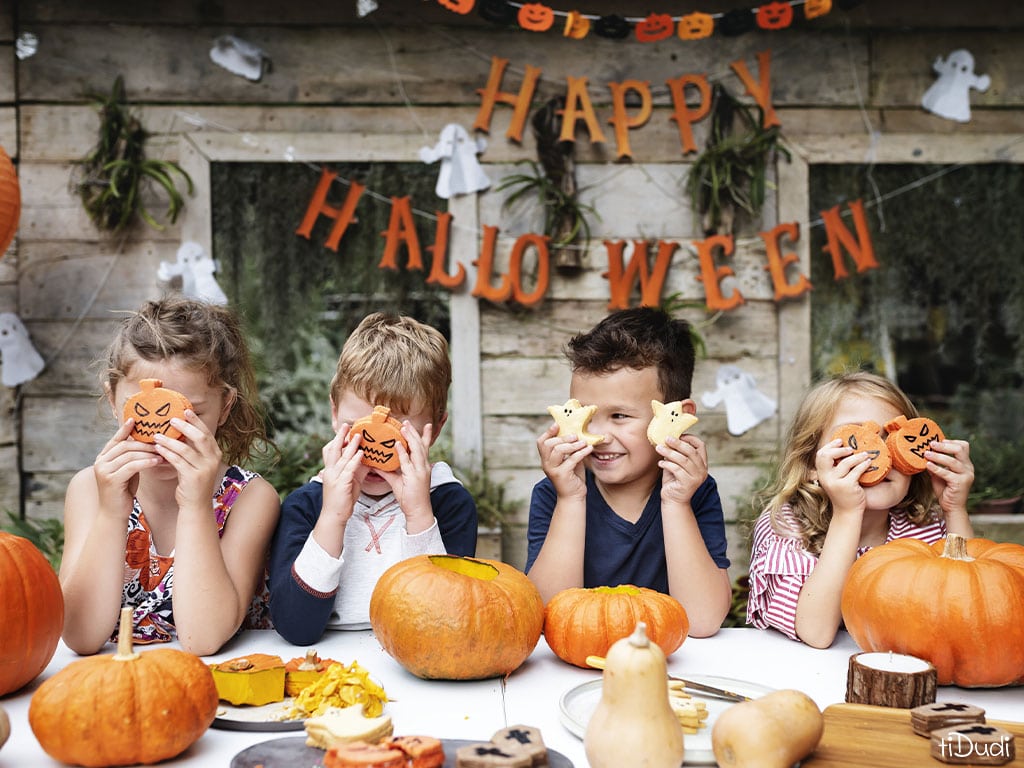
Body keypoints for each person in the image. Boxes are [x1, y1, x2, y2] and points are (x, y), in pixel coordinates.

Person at [60, 297, 280, 656]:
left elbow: (203, 638)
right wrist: (111, 513)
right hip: (111, 686)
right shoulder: (89, 491)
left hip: (211, 685)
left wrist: (196, 505)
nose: (166, 437)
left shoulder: (249, 499)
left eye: (187, 416)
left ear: (225, 407)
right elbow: (80, 636)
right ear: (114, 401)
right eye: (145, 416)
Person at [268, 312, 478, 645]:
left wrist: (419, 516)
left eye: (396, 437)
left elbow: (445, 622)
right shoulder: (306, 506)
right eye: (359, 432)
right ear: (335, 413)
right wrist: (333, 518)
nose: (374, 453)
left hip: (417, 663)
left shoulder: (448, 503)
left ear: (435, 428)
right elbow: (295, 628)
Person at [525, 307, 732, 637]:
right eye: (586, 416)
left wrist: (676, 504)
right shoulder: (555, 493)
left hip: (664, 663)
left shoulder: (696, 492)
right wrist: (571, 500)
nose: (600, 436)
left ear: (676, 416)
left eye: (620, 416)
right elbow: (546, 616)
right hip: (577, 664)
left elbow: (703, 621)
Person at [746, 371, 974, 648]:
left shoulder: (925, 528)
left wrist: (955, 509)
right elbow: (815, 632)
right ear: (810, 465)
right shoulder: (786, 525)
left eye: (892, 438)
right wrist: (847, 513)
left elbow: (972, 608)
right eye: (858, 438)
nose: (880, 456)